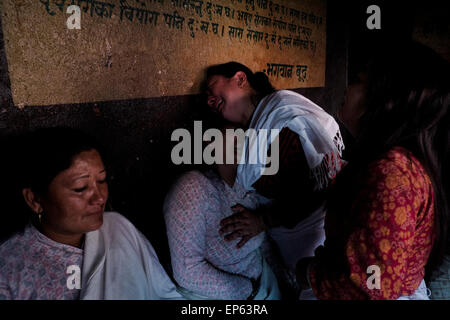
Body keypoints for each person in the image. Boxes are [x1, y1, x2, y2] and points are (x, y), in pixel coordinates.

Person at [295, 40, 449, 299]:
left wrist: (308, 273)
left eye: (358, 80)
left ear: (385, 100)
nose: (347, 87)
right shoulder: (393, 162)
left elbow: (372, 287)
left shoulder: (392, 174)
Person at [203, 62, 344, 294]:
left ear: (240, 79)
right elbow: (236, 193)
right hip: (293, 261)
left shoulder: (282, 116)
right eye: (205, 97)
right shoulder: (246, 133)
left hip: (321, 254)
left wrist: (262, 221)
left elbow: (310, 191)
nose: (208, 100)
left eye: (211, 88)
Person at [0, 127, 183, 300]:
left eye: (102, 180)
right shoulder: (10, 267)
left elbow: (166, 294)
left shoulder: (119, 229)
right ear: (34, 200)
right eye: (80, 188)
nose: (99, 198)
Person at [163, 128, 280, 300]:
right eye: (227, 130)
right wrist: (248, 290)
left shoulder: (250, 188)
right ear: (210, 143)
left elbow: (263, 247)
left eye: (244, 130)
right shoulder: (193, 187)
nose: (239, 137)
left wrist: (285, 278)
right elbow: (188, 272)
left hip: (266, 287)